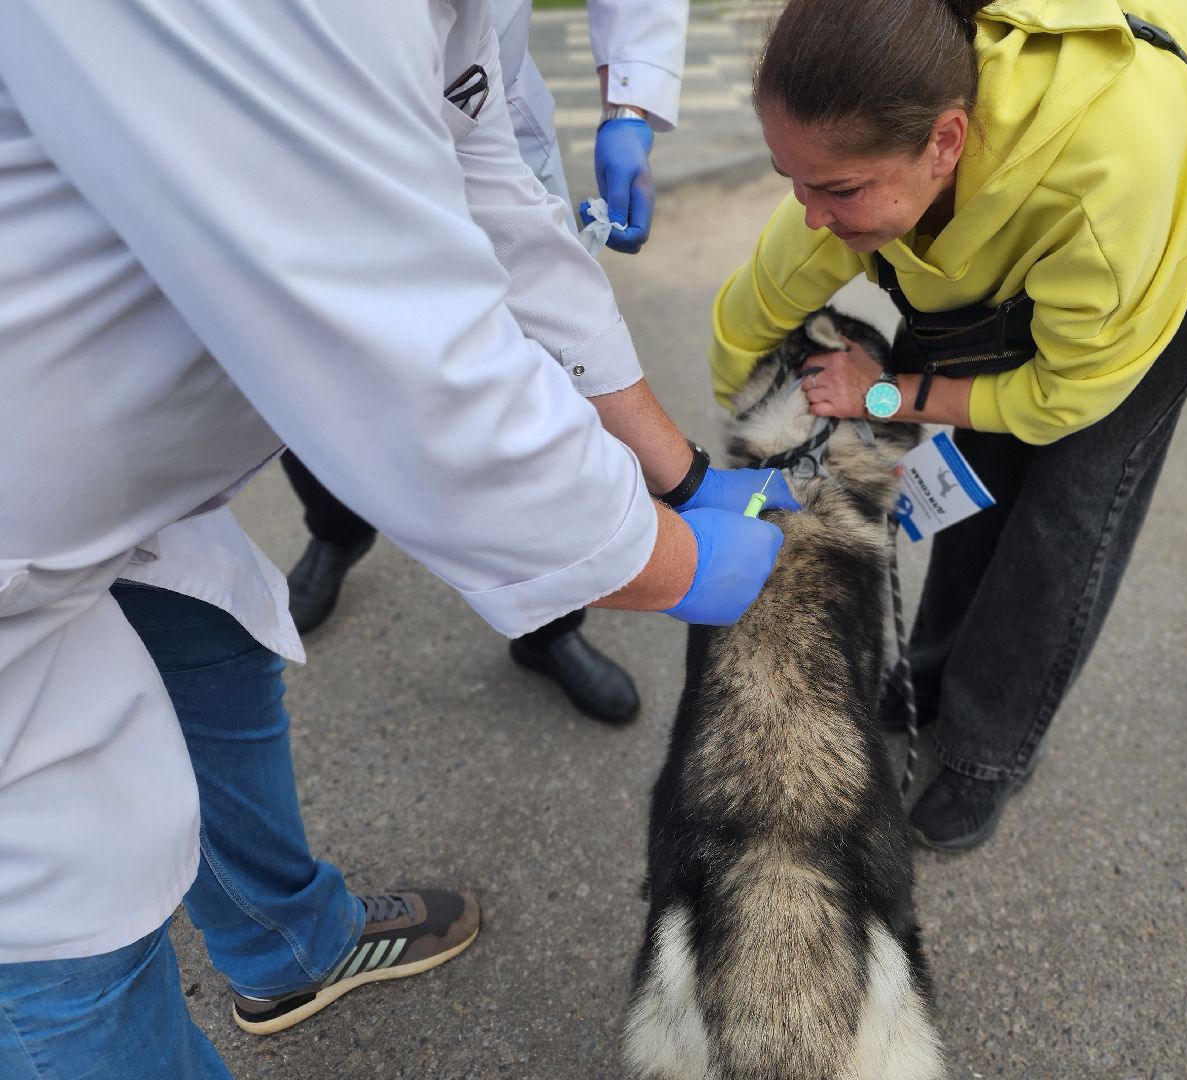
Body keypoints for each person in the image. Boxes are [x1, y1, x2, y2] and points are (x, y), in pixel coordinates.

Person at [0, 0, 793, 1075]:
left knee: (211, 646)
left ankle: (287, 945)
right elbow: (415, 363)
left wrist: (682, 473)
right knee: (63, 939)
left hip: (105, 485)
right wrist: (677, 564)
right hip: (23, 530)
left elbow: (492, 203)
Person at [709, 0, 1187, 850]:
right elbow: (749, 313)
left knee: (1079, 479)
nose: (812, 213)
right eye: (793, 179)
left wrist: (885, 395)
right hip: (1063, 179)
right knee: (983, 443)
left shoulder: (1110, 182)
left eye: (838, 191)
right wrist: (731, 474)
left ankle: (987, 748)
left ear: (947, 142)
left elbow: (1062, 400)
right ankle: (931, 674)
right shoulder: (852, 150)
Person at [282, 0, 689, 726]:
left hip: (478, 111)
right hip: (301, 190)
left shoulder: (464, 33)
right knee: (312, 393)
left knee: (535, 369)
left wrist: (685, 474)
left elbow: (518, 232)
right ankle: (336, 528)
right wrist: (676, 562)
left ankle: (550, 629)